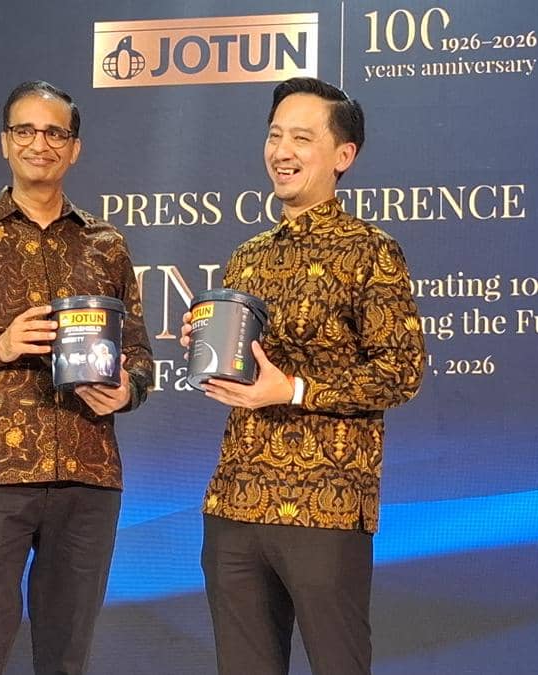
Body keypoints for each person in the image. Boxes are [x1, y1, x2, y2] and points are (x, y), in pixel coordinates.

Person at [0, 80, 153, 675]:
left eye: (55, 133)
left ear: (74, 148)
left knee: (66, 659)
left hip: (88, 476)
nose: (40, 143)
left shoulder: (106, 244)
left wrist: (128, 390)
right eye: (26, 130)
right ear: (5, 142)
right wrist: (0, 346)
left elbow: (140, 355)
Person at [180, 77, 426, 675]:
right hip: (237, 499)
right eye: (274, 136)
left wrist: (293, 390)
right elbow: (243, 371)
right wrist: (207, 344)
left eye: (301, 138)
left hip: (325, 505)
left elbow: (401, 371)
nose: (282, 151)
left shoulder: (371, 250)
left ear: (343, 155)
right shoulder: (247, 257)